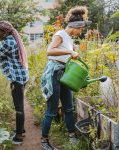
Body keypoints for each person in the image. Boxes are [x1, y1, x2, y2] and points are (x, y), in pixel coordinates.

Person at [41, 6, 90, 150]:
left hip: (65, 73)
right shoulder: (60, 34)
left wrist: (73, 51)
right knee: (51, 109)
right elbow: (50, 51)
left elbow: (67, 56)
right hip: (54, 74)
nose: (80, 32)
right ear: (75, 26)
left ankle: (71, 135)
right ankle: (44, 141)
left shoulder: (70, 39)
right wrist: (70, 51)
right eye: (80, 29)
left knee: (69, 107)